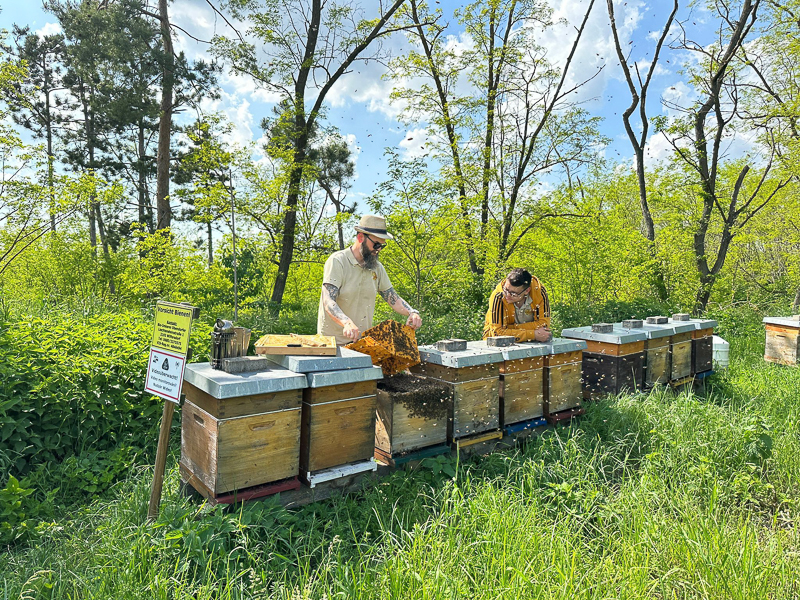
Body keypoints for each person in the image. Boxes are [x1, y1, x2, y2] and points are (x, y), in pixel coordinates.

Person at [318, 214, 422, 344]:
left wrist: (412, 312)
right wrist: (346, 322)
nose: (378, 250)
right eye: (376, 244)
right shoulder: (338, 261)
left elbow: (392, 297)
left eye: (382, 246)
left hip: (361, 343)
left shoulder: (376, 268)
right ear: (360, 237)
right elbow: (328, 301)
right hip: (331, 343)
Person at [483, 268, 552, 342]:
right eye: (506, 290)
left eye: (513, 293)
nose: (507, 295)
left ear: (526, 291)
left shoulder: (539, 292)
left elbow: (544, 325)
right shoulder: (498, 296)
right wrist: (533, 334)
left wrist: (509, 329)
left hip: (532, 343)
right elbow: (497, 334)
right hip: (496, 346)